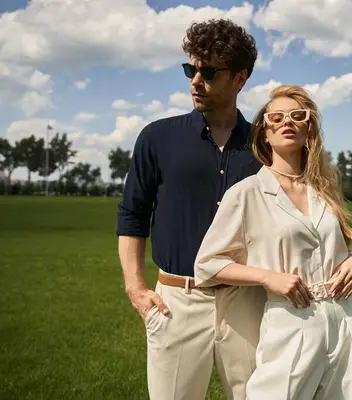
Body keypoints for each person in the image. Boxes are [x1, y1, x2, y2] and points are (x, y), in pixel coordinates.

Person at [116, 19, 267, 400]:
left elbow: (303, 213)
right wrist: (135, 288)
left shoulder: (263, 147)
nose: (196, 81)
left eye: (210, 72)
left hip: (247, 304)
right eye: (191, 69)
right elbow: (132, 214)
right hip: (176, 303)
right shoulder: (157, 137)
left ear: (240, 78)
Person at [194, 85, 352, 399]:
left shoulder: (326, 188)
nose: (287, 121)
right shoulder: (246, 194)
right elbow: (207, 264)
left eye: (297, 115)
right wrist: (268, 277)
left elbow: (335, 247)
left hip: (344, 318)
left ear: (309, 127)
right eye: (277, 116)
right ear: (264, 132)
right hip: (291, 318)